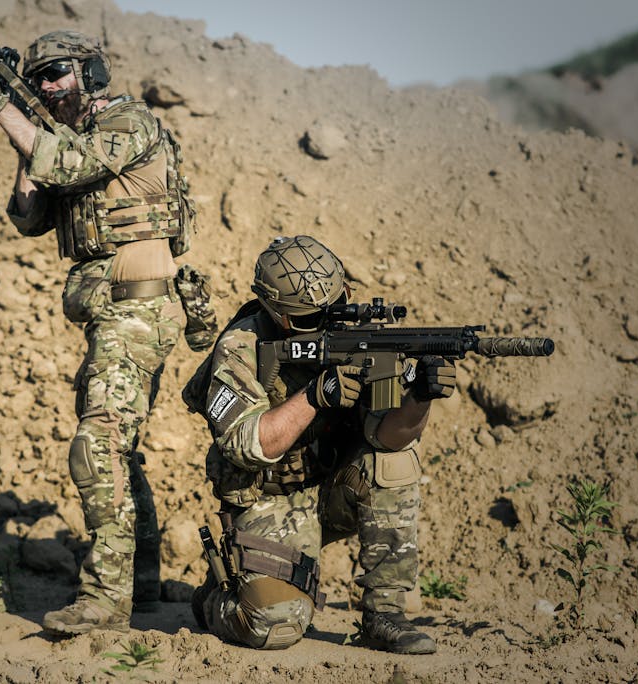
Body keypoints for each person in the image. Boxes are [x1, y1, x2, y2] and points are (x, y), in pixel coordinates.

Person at [0, 30, 203, 635]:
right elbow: (30, 215)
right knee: (117, 445)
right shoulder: (60, 137)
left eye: (58, 73)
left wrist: (2, 107)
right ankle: (140, 584)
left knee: (97, 443)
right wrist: (24, 137)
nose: (47, 85)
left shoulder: (128, 122)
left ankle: (105, 599)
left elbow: (71, 164)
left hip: (138, 308)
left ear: (91, 73)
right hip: (110, 314)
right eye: (38, 77)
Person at [188, 235, 456, 654]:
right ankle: (213, 598)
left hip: (331, 491)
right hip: (270, 501)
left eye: (338, 304)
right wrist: (316, 395)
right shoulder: (240, 346)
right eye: (310, 317)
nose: (329, 321)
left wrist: (419, 398)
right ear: (276, 313)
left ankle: (384, 615)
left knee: (395, 461)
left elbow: (388, 438)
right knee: (273, 626)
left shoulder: (360, 338)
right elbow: (246, 445)